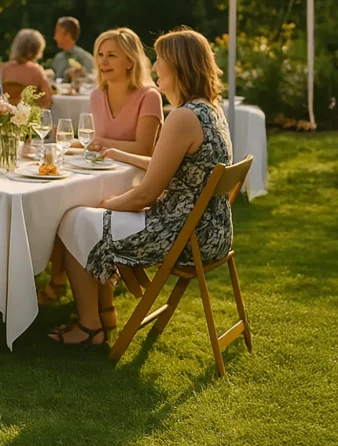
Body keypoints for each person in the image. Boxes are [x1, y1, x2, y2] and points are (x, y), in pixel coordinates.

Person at [50, 28, 233, 346]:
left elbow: (146, 195)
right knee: (87, 218)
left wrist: (105, 204)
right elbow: (169, 166)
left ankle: (90, 326)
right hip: (211, 231)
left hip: (183, 236)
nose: (155, 65)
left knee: (72, 219)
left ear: (178, 66)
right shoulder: (210, 110)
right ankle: (104, 312)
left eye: (160, 59)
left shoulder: (183, 117)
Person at [40, 28, 164, 304]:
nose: (103, 62)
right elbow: (92, 144)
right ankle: (59, 277)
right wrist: (52, 146)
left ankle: (76, 285)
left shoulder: (149, 96)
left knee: (71, 208)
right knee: (59, 203)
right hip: (101, 173)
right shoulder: (98, 95)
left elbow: (145, 149)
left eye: (112, 55)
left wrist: (100, 142)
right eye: (100, 55)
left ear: (130, 61)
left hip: (136, 183)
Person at [0, 29, 54, 109]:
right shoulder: (37, 70)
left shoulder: (4, 69)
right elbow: (48, 98)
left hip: (6, 116)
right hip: (29, 117)